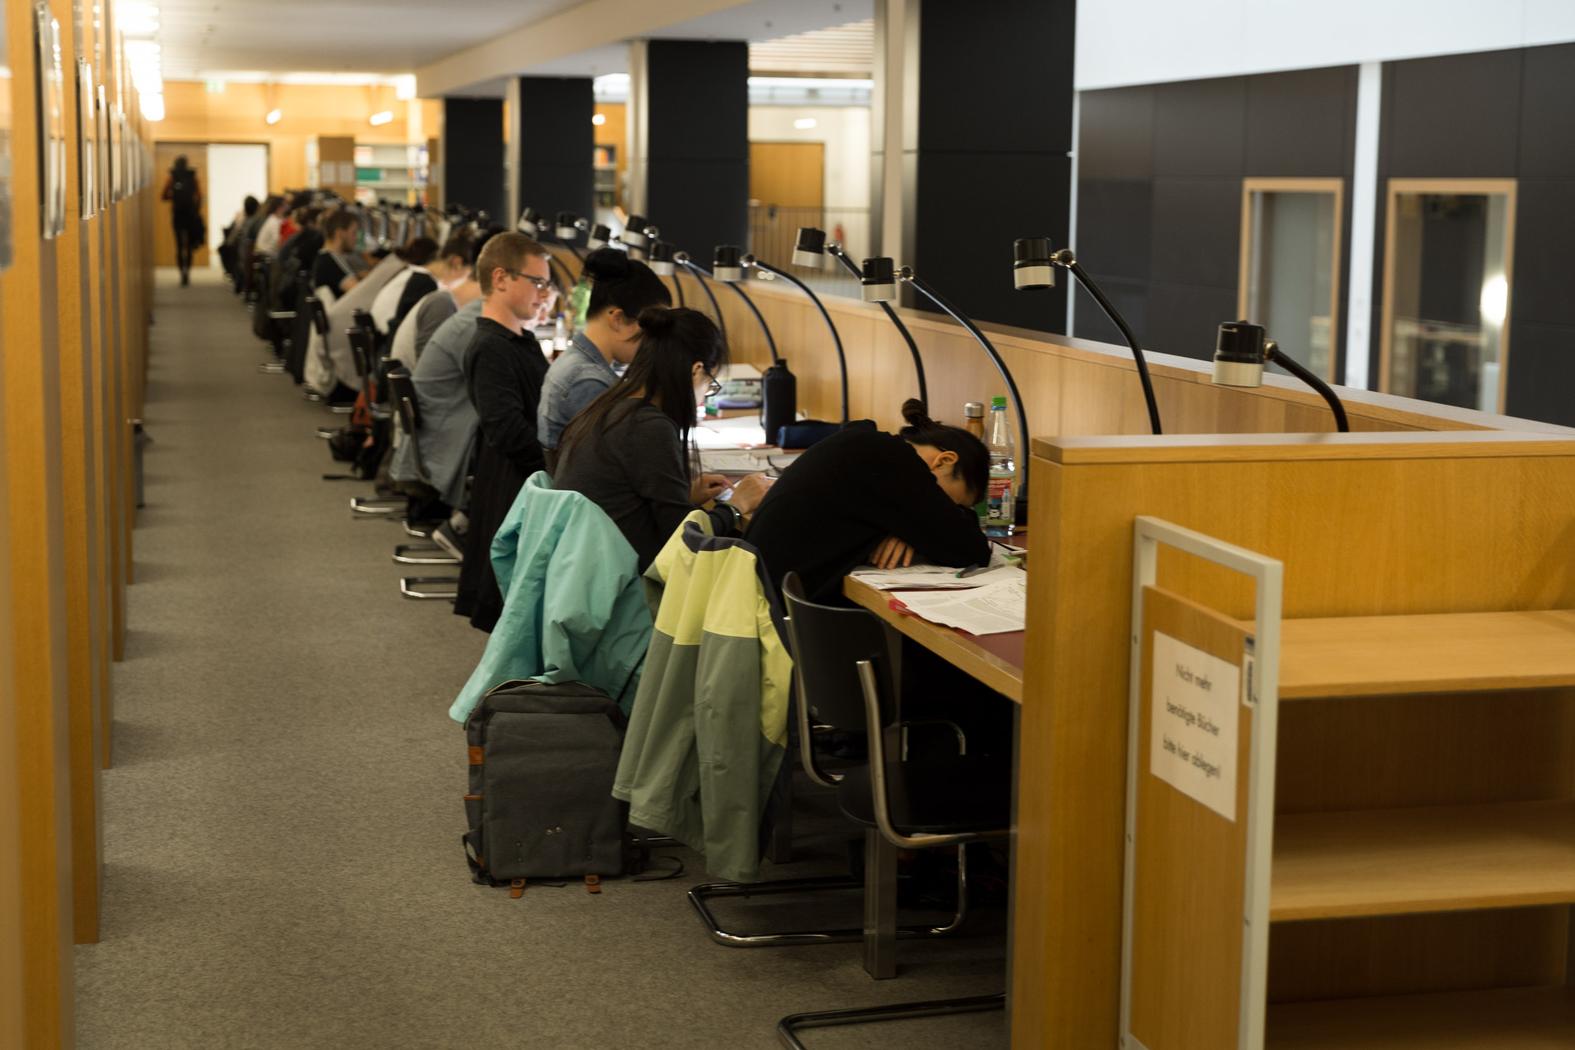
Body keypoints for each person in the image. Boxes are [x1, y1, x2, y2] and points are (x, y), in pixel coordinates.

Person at [553, 307, 773, 572]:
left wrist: (684, 496)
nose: (705, 395)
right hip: (626, 584)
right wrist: (737, 506)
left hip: (584, 571)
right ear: (696, 371)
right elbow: (684, 543)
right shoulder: (646, 426)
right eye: (710, 384)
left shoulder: (608, 407)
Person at [744, 399, 991, 603]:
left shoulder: (868, 444)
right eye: (952, 504)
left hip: (762, 600)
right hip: (778, 618)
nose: (946, 510)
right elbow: (972, 550)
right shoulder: (895, 462)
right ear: (945, 461)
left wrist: (911, 531)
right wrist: (921, 528)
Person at [454, 233, 554, 632]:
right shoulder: (492, 348)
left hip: (524, 483)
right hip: (514, 488)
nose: (544, 294)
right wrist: (563, 463)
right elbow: (508, 431)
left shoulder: (518, 341)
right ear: (500, 278)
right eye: (537, 282)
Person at [537, 248, 672, 463]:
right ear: (617, 318)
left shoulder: (576, 363)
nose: (652, 342)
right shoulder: (588, 383)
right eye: (650, 330)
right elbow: (626, 461)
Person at [387, 232, 479, 370]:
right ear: (457, 263)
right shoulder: (432, 291)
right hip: (406, 371)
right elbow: (430, 362)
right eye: (470, 275)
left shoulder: (418, 278)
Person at [161, 156, 203, 286]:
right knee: (189, 246)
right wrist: (196, 210)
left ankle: (181, 274)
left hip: (177, 215)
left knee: (179, 246)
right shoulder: (193, 177)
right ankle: (188, 273)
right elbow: (199, 195)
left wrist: (174, 196)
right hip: (191, 215)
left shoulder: (172, 177)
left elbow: (163, 196)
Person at [312, 209, 367, 297]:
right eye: (354, 233)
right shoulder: (329, 262)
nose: (356, 238)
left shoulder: (327, 257)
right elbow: (362, 294)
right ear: (340, 234)